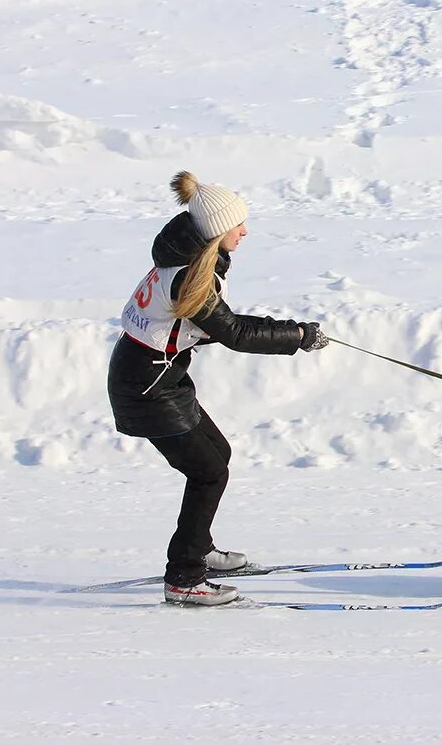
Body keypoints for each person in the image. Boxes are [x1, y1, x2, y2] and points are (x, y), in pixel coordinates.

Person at [107, 171, 330, 606]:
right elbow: (234, 333)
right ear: (214, 231)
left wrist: (290, 332)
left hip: (157, 375)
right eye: (237, 225)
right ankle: (185, 577)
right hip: (147, 386)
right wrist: (297, 336)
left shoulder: (187, 259)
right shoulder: (190, 276)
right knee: (208, 471)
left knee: (217, 456)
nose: (245, 232)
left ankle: (200, 548)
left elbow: (203, 325)